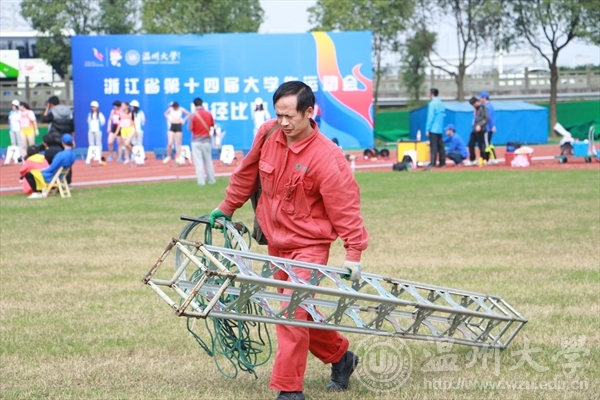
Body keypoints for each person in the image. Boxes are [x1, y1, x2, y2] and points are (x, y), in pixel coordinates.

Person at [209, 81, 369, 400]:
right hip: (276, 242)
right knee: (299, 312)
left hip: (309, 246)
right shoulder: (268, 133)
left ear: (309, 112)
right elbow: (247, 174)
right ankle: (340, 357)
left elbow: (345, 207)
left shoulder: (327, 157)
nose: (282, 122)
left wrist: (354, 252)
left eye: (289, 116)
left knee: (291, 312)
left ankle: (289, 390)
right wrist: (226, 208)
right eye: (278, 114)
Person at [25, 134, 76, 199]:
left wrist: (42, 171)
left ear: (62, 143)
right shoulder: (73, 154)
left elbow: (51, 168)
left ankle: (37, 192)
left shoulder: (60, 155)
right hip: (61, 176)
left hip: (52, 176)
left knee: (29, 174)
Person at [189, 97, 216, 185]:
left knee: (198, 162)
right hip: (207, 140)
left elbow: (190, 128)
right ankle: (211, 180)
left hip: (196, 140)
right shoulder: (208, 113)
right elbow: (212, 125)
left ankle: (201, 182)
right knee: (208, 161)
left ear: (194, 105)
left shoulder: (193, 115)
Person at [425, 88, 446, 170]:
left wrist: (427, 128)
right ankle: (442, 163)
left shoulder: (432, 104)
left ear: (432, 94)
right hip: (440, 128)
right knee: (441, 146)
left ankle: (432, 163)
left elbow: (430, 117)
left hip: (433, 128)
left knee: (433, 147)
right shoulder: (441, 103)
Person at [466, 96, 489, 166]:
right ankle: (472, 159)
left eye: (474, 104)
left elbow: (487, 118)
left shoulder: (483, 108)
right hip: (475, 129)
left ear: (476, 102)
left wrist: (480, 125)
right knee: (471, 144)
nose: (473, 106)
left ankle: (483, 159)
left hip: (481, 130)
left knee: (481, 145)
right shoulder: (475, 109)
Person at [479, 91, 497, 164]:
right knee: (488, 143)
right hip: (488, 127)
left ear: (484, 98)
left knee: (487, 144)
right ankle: (491, 158)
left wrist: (492, 126)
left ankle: (491, 158)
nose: (480, 99)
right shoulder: (488, 106)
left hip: (487, 128)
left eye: (481, 98)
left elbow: (488, 118)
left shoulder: (487, 106)